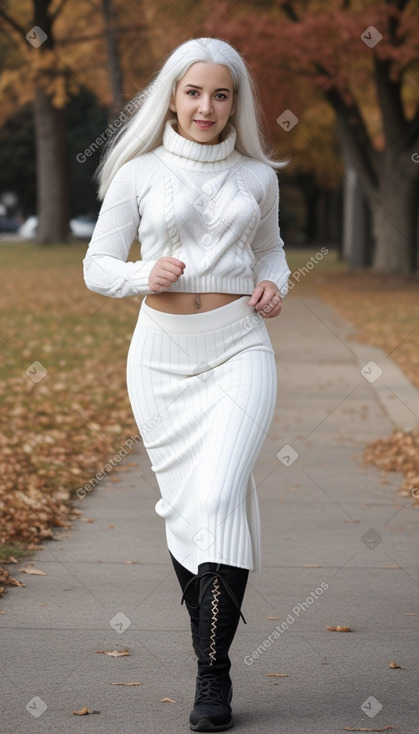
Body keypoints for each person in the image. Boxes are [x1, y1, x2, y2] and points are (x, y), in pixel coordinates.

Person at [83, 36, 290, 732]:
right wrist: (147, 274)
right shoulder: (138, 172)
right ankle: (211, 655)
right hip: (161, 359)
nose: (206, 106)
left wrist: (274, 284)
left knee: (221, 495)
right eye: (194, 91)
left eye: (221, 94)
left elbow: (270, 249)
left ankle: (213, 674)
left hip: (239, 349)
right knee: (185, 509)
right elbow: (98, 266)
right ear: (172, 94)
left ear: (236, 103)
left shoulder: (257, 176)